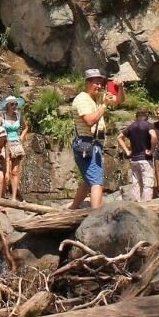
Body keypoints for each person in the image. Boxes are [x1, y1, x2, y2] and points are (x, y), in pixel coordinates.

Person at [70, 68, 116, 210]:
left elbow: (119, 100)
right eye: (96, 83)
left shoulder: (98, 97)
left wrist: (120, 88)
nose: (99, 86)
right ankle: (96, 214)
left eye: (101, 83)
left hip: (95, 143)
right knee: (96, 181)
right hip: (85, 143)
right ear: (87, 83)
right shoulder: (81, 99)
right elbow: (89, 121)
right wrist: (104, 106)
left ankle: (73, 208)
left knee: (88, 180)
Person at [119, 106, 157, 202]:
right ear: (147, 115)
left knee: (136, 184)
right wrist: (151, 151)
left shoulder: (131, 126)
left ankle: (136, 205)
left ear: (137, 115)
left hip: (134, 159)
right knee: (147, 184)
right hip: (145, 159)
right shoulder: (148, 125)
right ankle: (147, 205)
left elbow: (119, 137)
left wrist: (127, 151)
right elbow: (154, 137)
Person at [0, 96, 29, 201]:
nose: (14, 106)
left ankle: (13, 197)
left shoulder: (19, 116)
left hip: (16, 144)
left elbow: (25, 127)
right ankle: (2, 196)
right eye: (12, 104)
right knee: (6, 170)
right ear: (7, 105)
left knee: (15, 171)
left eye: (15, 104)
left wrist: (21, 136)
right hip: (6, 144)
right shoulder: (2, 117)